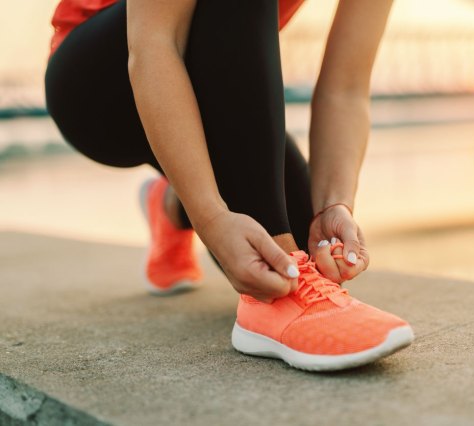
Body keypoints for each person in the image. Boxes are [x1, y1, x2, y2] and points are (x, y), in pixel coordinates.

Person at [44, 0, 414, 371]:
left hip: (206, 86)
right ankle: (270, 307)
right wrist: (210, 216)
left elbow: (345, 88)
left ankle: (171, 206)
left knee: (302, 244)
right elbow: (154, 44)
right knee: (281, 262)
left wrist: (333, 205)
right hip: (100, 86)